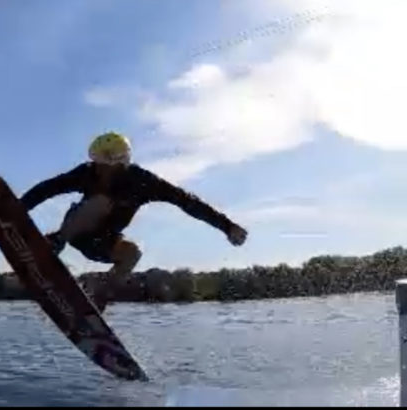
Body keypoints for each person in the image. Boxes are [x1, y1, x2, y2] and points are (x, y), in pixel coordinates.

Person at [19, 131, 248, 312]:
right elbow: (47, 189)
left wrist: (226, 226)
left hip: (103, 243)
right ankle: (55, 243)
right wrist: (18, 209)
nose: (101, 171)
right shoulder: (86, 173)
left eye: (107, 166)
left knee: (133, 252)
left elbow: (187, 201)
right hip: (77, 230)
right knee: (100, 201)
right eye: (98, 164)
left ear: (122, 163)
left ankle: (97, 301)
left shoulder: (143, 182)